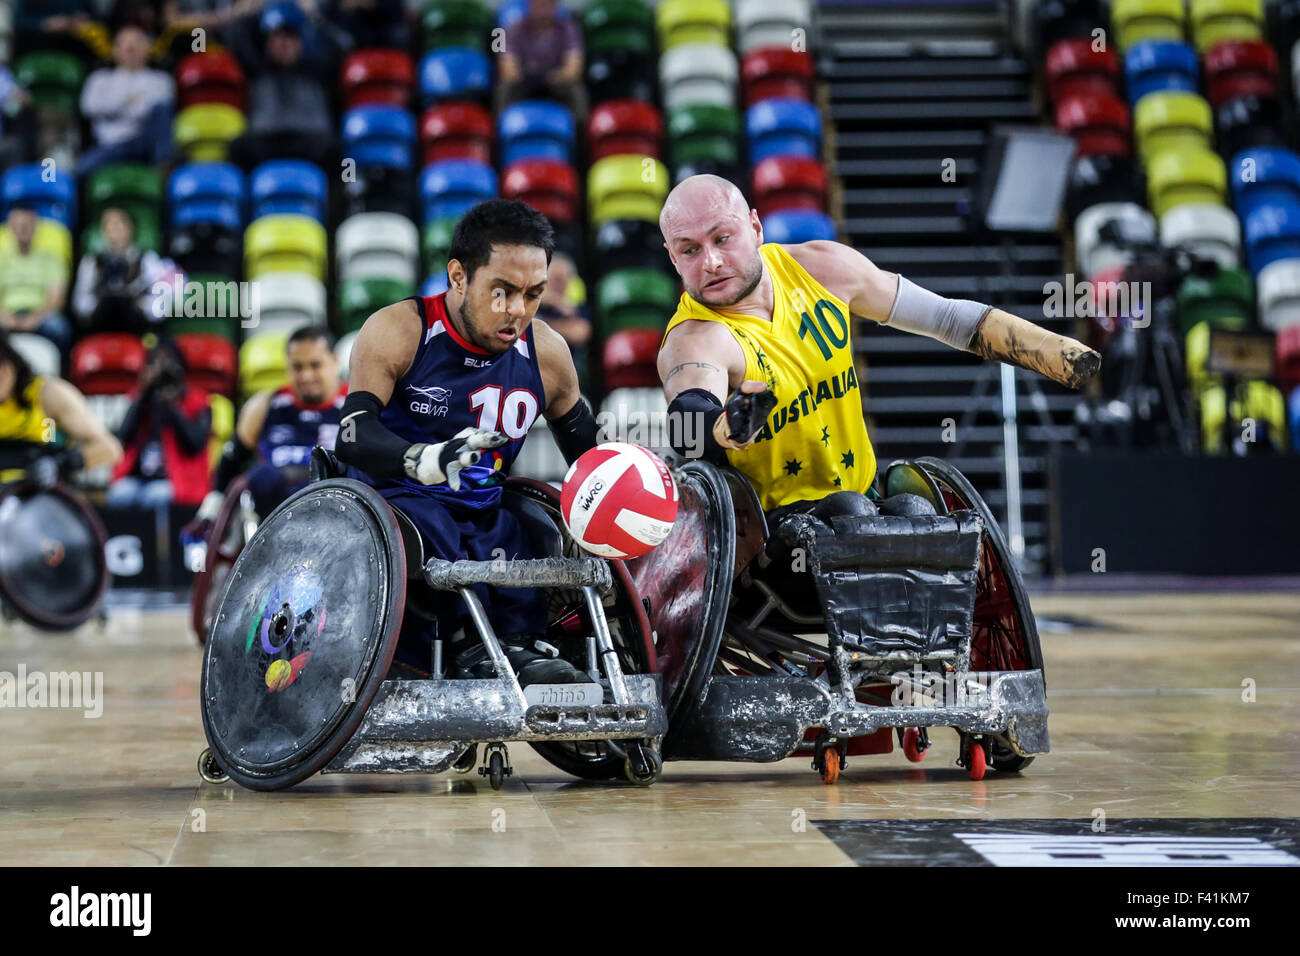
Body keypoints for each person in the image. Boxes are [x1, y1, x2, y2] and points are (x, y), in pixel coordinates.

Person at [656, 173, 1102, 534]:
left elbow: (946, 318)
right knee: (851, 514)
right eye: (689, 250)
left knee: (914, 510)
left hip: (862, 496)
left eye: (722, 238)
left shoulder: (819, 267)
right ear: (672, 258)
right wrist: (729, 425)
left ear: (755, 227)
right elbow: (689, 421)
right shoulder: (696, 336)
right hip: (772, 533)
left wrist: (1050, 350)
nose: (710, 262)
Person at [334, 198, 599, 685]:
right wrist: (422, 459)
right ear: (458, 276)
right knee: (434, 525)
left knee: (533, 531)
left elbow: (591, 456)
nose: (516, 311)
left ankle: (525, 649)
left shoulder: (548, 352)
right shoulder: (399, 329)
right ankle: (465, 646)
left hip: (484, 510)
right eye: (501, 292)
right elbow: (351, 435)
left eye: (533, 294)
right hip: (395, 502)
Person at [188, 325, 347, 535]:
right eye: (298, 367)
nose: (306, 376)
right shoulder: (264, 405)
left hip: (338, 512)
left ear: (335, 362)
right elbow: (231, 460)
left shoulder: (354, 404)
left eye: (315, 365)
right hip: (275, 515)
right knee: (262, 476)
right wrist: (210, 510)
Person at [223, 0, 348, 171]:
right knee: (237, 148)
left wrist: (315, 17)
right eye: (277, 37)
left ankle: (333, 197)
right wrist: (258, 8)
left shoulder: (316, 68)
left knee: (339, 149)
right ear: (267, 42)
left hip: (310, 141)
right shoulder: (257, 66)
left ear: (301, 42)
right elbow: (233, 33)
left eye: (291, 37)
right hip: (266, 142)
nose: (284, 44)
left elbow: (344, 45)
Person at [0, 328, 123, 486]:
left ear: (8, 371)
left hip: (36, 495)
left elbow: (109, 448)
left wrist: (59, 465)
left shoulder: (47, 394)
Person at [107, 338, 212, 510]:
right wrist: (145, 392)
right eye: (155, 363)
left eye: (168, 362)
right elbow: (122, 437)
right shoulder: (141, 398)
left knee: (156, 496)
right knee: (120, 494)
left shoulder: (197, 401)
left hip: (176, 482)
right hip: (138, 478)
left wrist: (174, 406)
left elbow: (196, 444)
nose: (162, 368)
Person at [76, 26, 175, 179]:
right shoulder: (99, 79)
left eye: (137, 43)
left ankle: (163, 170)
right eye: (125, 44)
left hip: (144, 143)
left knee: (162, 111)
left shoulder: (161, 79)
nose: (131, 48)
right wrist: (127, 102)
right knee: (82, 169)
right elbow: (89, 108)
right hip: (110, 145)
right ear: (115, 50)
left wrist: (115, 108)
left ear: (148, 49)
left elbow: (158, 113)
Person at [72, 208, 176, 337]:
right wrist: (100, 305)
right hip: (101, 325)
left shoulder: (148, 258)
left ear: (130, 228)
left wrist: (140, 305)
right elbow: (80, 302)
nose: (114, 231)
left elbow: (162, 302)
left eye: (118, 225)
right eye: (109, 226)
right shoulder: (91, 261)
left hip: (137, 325)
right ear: (103, 231)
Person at [0, 206, 75, 361]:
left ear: (36, 227)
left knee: (59, 328)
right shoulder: (2, 260)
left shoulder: (51, 259)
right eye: (18, 225)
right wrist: (7, 318)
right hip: (7, 314)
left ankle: (60, 373)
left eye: (26, 225)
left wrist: (33, 319)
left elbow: (56, 299)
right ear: (10, 228)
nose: (22, 230)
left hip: (40, 315)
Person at [495, 0, 586, 121]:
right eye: (537, 5)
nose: (541, 10)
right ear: (529, 6)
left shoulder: (570, 29)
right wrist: (527, 77)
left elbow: (574, 69)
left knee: (576, 90)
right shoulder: (511, 29)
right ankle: (502, 131)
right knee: (504, 89)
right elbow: (507, 69)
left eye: (546, 5)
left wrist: (555, 77)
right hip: (523, 80)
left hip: (556, 80)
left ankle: (578, 134)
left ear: (555, 6)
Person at [534, 251, 591, 390]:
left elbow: (580, 333)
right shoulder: (534, 301)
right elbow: (523, 328)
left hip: (565, 374)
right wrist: (554, 301)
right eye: (555, 278)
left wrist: (542, 325)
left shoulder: (575, 306)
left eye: (564, 279)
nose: (560, 284)